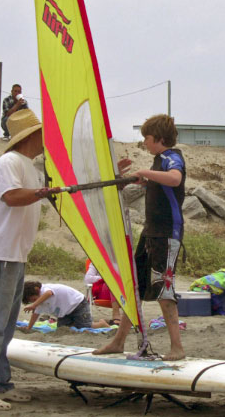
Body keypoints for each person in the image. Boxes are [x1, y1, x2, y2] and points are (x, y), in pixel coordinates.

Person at [0, 109, 60, 411]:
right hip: (0, 256)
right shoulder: (8, 162)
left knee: (6, 326)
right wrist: (40, 192)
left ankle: (1, 384)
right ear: (32, 135)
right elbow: (11, 197)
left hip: (15, 256)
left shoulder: (29, 166)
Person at [93, 114, 186, 361]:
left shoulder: (172, 157)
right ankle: (119, 340)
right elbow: (156, 185)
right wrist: (128, 178)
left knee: (164, 289)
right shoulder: (157, 162)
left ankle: (177, 347)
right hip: (150, 233)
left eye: (146, 138)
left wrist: (145, 172)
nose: (144, 142)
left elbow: (175, 178)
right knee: (134, 287)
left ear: (158, 139)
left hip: (167, 234)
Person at [22, 281, 109, 330]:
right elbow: (35, 314)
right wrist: (29, 327)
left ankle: (101, 323)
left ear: (37, 290)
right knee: (62, 328)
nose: (35, 302)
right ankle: (75, 322)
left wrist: (34, 304)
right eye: (32, 301)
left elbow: (49, 293)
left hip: (78, 304)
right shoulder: (39, 303)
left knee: (84, 326)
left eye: (34, 299)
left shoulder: (45, 289)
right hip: (65, 312)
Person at [84, 260, 121, 324]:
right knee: (113, 282)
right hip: (104, 292)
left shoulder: (122, 263)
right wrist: (107, 278)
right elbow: (88, 278)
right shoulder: (97, 261)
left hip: (122, 293)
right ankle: (116, 315)